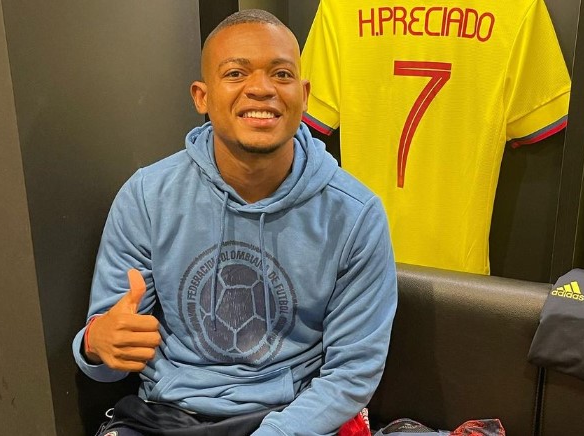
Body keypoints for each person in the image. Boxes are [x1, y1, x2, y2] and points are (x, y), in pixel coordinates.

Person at [73, 9, 398, 436]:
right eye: (236, 73)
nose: (261, 88)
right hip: (165, 415)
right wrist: (94, 343)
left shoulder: (355, 214)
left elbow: (351, 374)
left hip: (291, 419)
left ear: (303, 95)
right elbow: (107, 356)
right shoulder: (147, 197)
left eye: (281, 74)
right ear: (201, 97)